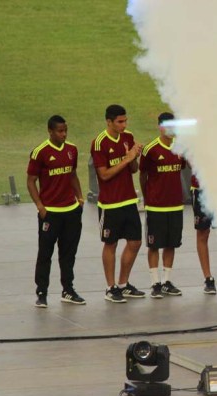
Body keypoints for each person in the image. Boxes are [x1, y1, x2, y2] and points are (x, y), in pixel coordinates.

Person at [27, 115, 85, 307]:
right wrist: (40, 206)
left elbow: (73, 175)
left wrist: (80, 198)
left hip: (71, 211)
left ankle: (68, 290)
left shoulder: (72, 149)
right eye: (60, 131)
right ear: (50, 131)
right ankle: (42, 292)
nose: (64, 134)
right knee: (45, 253)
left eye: (65, 130)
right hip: (50, 212)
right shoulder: (40, 152)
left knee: (68, 253)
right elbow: (31, 181)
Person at [91, 104, 145, 303]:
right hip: (110, 203)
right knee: (110, 243)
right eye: (120, 122)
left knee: (135, 242)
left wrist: (134, 157)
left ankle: (123, 284)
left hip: (129, 199)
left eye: (125, 121)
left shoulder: (128, 137)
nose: (124, 125)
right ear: (109, 122)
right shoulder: (99, 143)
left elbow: (133, 170)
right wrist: (126, 158)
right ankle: (110, 287)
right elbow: (104, 175)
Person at [139, 112, 185, 298]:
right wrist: (147, 197)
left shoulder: (180, 149)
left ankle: (166, 281)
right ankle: (154, 282)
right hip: (156, 206)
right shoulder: (150, 150)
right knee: (153, 245)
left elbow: (180, 170)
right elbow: (142, 175)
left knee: (171, 244)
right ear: (160, 127)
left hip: (175, 206)